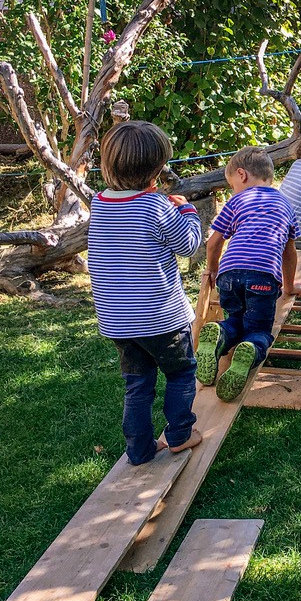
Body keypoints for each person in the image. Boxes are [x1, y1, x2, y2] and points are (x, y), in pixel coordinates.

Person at [88, 121, 204, 466]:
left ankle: (138, 450)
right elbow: (189, 245)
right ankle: (180, 434)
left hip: (117, 321)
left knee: (137, 385)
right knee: (181, 374)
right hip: (162, 318)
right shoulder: (156, 206)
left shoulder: (100, 204)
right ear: (156, 169)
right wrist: (187, 210)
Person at [200, 146, 301, 402]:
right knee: (258, 330)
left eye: (232, 184)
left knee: (235, 317)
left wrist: (212, 269)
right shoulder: (286, 205)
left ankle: (221, 335)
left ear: (242, 175)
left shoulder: (237, 201)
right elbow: (290, 253)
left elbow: (214, 242)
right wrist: (289, 287)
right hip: (263, 277)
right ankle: (251, 347)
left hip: (229, 274)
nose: (234, 189)